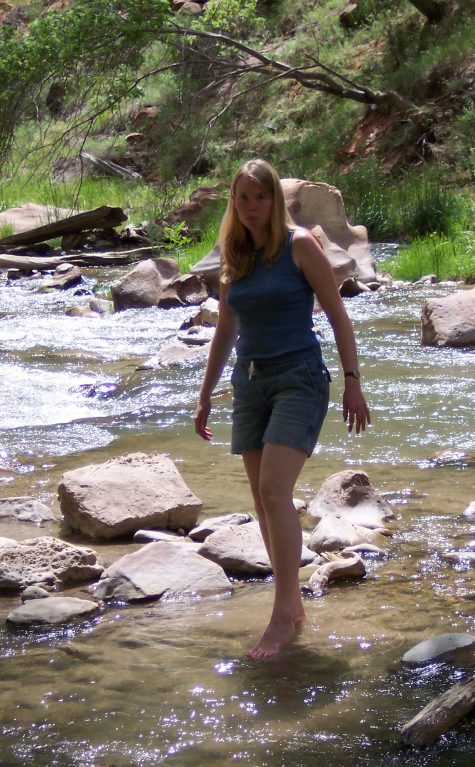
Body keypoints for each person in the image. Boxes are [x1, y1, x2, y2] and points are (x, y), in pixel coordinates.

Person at [194, 158, 372, 660]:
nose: (251, 207)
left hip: (299, 378)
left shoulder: (299, 246)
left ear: (276, 200)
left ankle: (280, 616)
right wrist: (205, 395)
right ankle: (292, 607)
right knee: (261, 501)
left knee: (275, 491)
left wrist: (353, 383)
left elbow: (338, 316)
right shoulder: (235, 255)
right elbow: (225, 331)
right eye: (242, 198)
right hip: (249, 385)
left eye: (260, 197)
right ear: (234, 203)